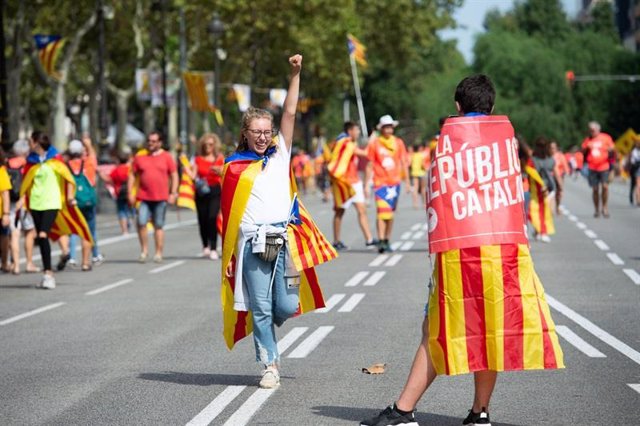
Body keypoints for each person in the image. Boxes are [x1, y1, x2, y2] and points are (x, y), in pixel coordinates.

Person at [362, 75, 564, 426]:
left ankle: (404, 410)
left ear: (457, 107)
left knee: (435, 328)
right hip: (503, 250)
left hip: (461, 251)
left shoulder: (447, 143)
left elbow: (439, 195)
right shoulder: (506, 141)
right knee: (491, 328)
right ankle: (479, 411)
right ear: (492, 106)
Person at [220, 55, 335, 389]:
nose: (262, 137)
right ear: (245, 133)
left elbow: (290, 112)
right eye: (256, 132)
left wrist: (295, 74)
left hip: (285, 243)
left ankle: (271, 323)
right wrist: (229, 256)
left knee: (284, 305)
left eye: (267, 132)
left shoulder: (280, 153)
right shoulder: (233, 167)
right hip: (252, 244)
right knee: (259, 306)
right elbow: (228, 218)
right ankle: (269, 364)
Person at [20, 131, 92, 289]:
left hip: (52, 203)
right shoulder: (31, 162)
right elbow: (26, 184)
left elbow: (68, 179)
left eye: (30, 142)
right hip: (35, 204)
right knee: (41, 237)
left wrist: (70, 196)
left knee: (43, 234)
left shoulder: (55, 159)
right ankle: (47, 273)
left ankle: (48, 274)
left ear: (36, 143)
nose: (29, 145)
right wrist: (22, 201)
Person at [128, 131, 178, 263]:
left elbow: (174, 175)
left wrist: (173, 192)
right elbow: (132, 175)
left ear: (160, 143)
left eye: (154, 141)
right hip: (143, 197)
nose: (150, 143)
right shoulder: (140, 157)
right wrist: (130, 193)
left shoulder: (167, 157)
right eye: (149, 141)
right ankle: (144, 251)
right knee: (141, 223)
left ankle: (158, 253)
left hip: (161, 198)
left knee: (158, 225)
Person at [327, 121, 376, 250]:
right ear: (350, 131)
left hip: (356, 182)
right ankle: (336, 241)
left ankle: (369, 239)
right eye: (357, 130)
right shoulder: (346, 144)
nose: (358, 133)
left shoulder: (349, 144)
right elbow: (365, 153)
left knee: (362, 210)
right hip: (344, 183)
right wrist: (372, 140)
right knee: (340, 212)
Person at [366, 115, 410, 253]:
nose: (388, 129)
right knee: (381, 213)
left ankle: (386, 239)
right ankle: (380, 240)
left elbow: (404, 163)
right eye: (386, 127)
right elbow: (369, 164)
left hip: (395, 183)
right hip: (380, 183)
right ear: (381, 129)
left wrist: (407, 182)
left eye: (390, 127)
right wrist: (366, 184)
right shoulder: (375, 143)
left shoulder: (398, 143)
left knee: (390, 214)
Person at [65, 138, 101, 271]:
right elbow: (93, 155)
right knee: (88, 231)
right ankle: (86, 262)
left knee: (73, 231)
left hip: (73, 202)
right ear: (81, 151)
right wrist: (88, 144)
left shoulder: (65, 165)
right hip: (88, 202)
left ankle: (72, 257)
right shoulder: (88, 163)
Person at [189, 133, 224, 260]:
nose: (208, 147)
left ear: (215, 145)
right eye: (205, 144)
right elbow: (193, 176)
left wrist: (220, 171)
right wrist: (187, 170)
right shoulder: (198, 159)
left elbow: (225, 174)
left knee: (212, 218)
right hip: (201, 191)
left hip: (215, 190)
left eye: (210, 144)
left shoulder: (220, 158)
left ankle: (214, 247)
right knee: (202, 219)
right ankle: (205, 245)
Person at [7, 140, 39, 274]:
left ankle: (16, 266)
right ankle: (29, 263)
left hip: (10, 202)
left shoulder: (7, 163)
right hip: (25, 202)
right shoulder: (28, 164)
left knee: (14, 234)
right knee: (30, 232)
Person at [582, 121, 615, 218]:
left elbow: (613, 148)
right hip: (592, 167)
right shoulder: (588, 140)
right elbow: (582, 150)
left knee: (605, 186)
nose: (591, 132)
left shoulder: (606, 137)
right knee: (595, 189)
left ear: (598, 130)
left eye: (593, 130)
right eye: (590, 130)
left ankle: (605, 207)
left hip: (604, 166)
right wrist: (587, 148)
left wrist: (610, 150)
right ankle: (597, 209)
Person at [100, 147, 134, 235]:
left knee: (121, 211)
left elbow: (109, 180)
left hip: (119, 193)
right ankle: (135, 225)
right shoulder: (130, 169)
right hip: (131, 192)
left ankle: (124, 230)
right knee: (132, 210)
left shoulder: (116, 170)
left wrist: (100, 174)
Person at [531, 137, 558, 243]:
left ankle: (542, 231)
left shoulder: (550, 160)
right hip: (536, 189)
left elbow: (554, 174)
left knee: (548, 211)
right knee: (536, 210)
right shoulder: (533, 159)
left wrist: (558, 187)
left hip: (549, 188)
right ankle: (540, 231)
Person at [550, 140, 569, 215]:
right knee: (551, 192)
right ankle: (551, 208)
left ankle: (558, 206)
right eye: (551, 148)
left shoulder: (560, 155)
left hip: (560, 176)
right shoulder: (547, 155)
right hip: (550, 176)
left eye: (553, 148)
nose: (552, 149)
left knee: (559, 192)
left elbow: (565, 165)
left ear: (556, 148)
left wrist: (567, 171)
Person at [0, 148, 11, 272]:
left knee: (4, 236)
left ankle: (4, 262)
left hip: (1, 212)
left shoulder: (1, 171)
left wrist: (6, 213)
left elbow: (5, 193)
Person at [408, 143, 428, 209]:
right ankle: (424, 203)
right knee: (423, 189)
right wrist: (426, 169)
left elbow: (409, 165)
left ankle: (415, 204)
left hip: (414, 173)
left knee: (415, 189)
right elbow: (423, 165)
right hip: (421, 173)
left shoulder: (412, 156)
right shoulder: (421, 155)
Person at [628, 136, 640, 206]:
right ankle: (638, 200)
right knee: (636, 185)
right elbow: (632, 161)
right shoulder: (634, 151)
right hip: (636, 169)